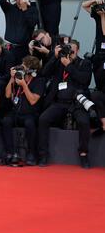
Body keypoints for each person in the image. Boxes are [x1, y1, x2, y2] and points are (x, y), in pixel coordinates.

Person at [39, 40, 93, 168]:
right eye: (68, 51)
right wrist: (55, 56)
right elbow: (44, 73)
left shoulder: (84, 63)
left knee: (84, 122)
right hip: (59, 102)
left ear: (78, 50)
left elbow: (84, 80)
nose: (70, 53)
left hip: (77, 102)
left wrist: (69, 66)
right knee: (43, 119)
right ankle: (43, 154)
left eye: (73, 51)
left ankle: (83, 153)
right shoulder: (59, 62)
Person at [2, 56, 45, 166]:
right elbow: (7, 95)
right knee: (6, 121)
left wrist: (24, 85)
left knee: (30, 123)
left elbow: (32, 101)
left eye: (24, 67)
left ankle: (31, 153)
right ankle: (9, 152)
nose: (22, 69)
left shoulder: (39, 81)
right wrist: (12, 78)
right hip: (16, 112)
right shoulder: (18, 78)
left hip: (31, 113)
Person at [0, 0, 39, 64]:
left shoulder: (32, 10)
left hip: (24, 49)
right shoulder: (10, 8)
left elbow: (32, 24)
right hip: (9, 48)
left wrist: (25, 10)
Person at [83, 0, 105, 91]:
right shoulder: (99, 14)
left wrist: (103, 16)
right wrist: (95, 1)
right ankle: (98, 89)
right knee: (97, 71)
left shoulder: (101, 15)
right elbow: (84, 5)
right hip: (99, 51)